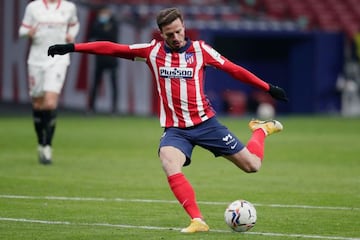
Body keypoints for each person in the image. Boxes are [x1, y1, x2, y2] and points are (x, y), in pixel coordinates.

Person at [48, 7, 288, 232]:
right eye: (169, 34)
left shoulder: (201, 51)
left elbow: (234, 69)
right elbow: (112, 48)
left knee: (252, 166)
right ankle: (197, 220)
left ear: (184, 26)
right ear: (161, 33)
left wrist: (267, 87)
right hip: (176, 130)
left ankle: (261, 130)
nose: (175, 37)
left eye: (178, 31)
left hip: (206, 124)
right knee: (169, 161)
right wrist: (73, 47)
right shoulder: (152, 52)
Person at [19, 0, 79, 165]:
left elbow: (74, 24)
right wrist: (28, 33)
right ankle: (40, 142)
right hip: (37, 60)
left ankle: (48, 146)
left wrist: (71, 35)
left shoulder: (69, 7)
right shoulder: (33, 7)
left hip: (58, 60)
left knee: (50, 103)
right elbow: (22, 30)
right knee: (38, 104)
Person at [87, 5, 119, 114]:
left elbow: (112, 36)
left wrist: (102, 30)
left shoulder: (114, 23)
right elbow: (91, 35)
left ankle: (114, 108)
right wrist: (100, 26)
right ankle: (91, 107)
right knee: (95, 83)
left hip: (112, 57)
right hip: (99, 58)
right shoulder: (96, 23)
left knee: (113, 83)